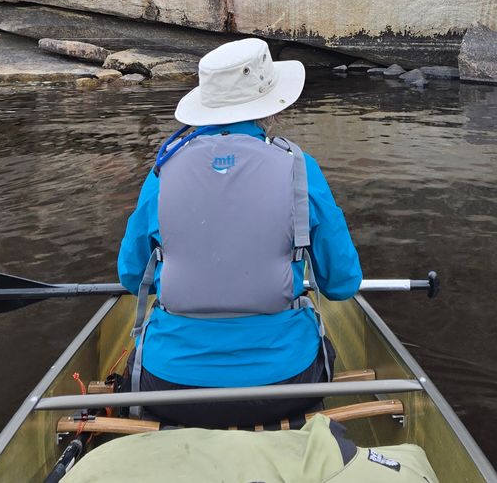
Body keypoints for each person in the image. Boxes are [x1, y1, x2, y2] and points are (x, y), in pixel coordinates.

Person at [116, 37, 363, 428]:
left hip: (170, 387)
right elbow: (342, 284)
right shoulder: (300, 168)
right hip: (285, 385)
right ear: (271, 107)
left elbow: (131, 278)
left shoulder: (163, 170)